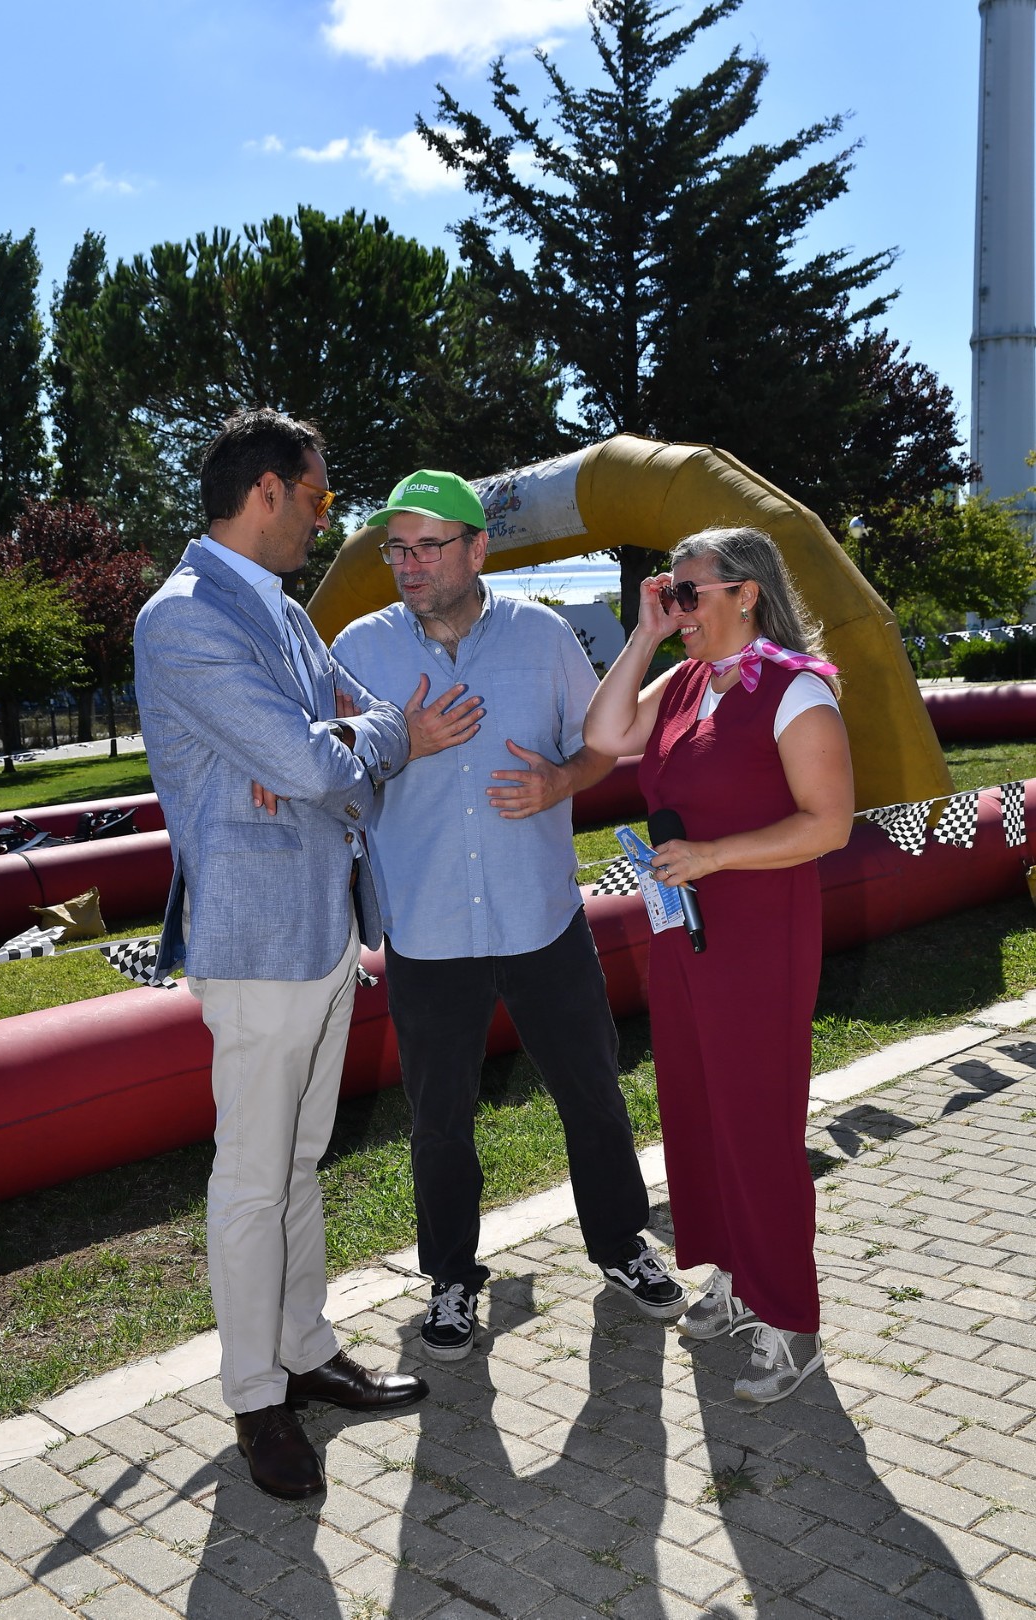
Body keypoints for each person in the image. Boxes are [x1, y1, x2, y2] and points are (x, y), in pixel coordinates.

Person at [133, 409, 428, 1502]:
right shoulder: (182, 617)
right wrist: (345, 752)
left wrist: (332, 753)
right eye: (318, 496)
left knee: (299, 1163)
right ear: (266, 492)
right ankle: (256, 1395)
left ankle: (305, 1350)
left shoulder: (287, 612)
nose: (325, 517)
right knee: (254, 1179)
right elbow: (326, 759)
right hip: (257, 943)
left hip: (326, 926)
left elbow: (343, 739)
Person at [327, 468, 685, 1361]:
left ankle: (621, 1244)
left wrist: (561, 782)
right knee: (438, 1119)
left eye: (429, 546)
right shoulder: (357, 650)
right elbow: (328, 776)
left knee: (592, 1094)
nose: (409, 564)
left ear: (478, 548)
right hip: (427, 929)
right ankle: (450, 1278)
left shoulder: (543, 636)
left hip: (542, 918)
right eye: (397, 549)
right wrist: (399, 746)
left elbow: (600, 745)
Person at [582, 526, 853, 1404]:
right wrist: (647, 632)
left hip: (758, 933)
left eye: (688, 593)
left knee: (757, 1122)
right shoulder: (687, 680)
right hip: (684, 932)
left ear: (746, 593)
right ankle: (734, 1274)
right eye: (670, 591)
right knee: (697, 1111)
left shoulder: (795, 688)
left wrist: (713, 856)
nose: (678, 605)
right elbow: (605, 731)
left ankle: (791, 1319)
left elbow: (828, 824)